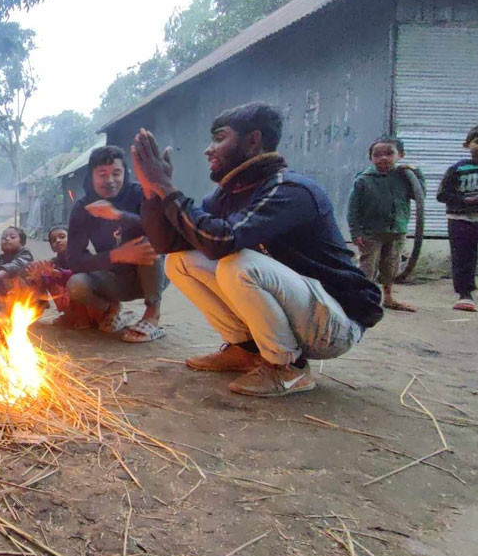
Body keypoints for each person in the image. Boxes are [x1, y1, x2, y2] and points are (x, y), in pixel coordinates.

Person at [134, 102, 383, 397]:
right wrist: (153, 191)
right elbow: (169, 244)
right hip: (304, 315)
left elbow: (220, 241)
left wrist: (166, 187)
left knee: (237, 264)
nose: (208, 149)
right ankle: (246, 350)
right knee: (180, 261)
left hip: (333, 325)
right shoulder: (227, 195)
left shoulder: (290, 190)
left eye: (219, 137)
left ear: (253, 140)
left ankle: (289, 369)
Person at [66, 145, 168, 342]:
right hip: (113, 279)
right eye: (102, 174)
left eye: (116, 173)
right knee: (76, 285)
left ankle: (153, 314)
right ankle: (113, 309)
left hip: (149, 276)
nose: (110, 180)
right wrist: (117, 256)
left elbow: (162, 232)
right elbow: (74, 260)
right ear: (92, 176)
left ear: (125, 173)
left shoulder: (139, 194)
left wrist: (120, 216)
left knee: (150, 243)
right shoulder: (83, 208)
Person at [346, 136, 425, 312]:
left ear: (400, 155)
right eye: (377, 155)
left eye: (389, 154)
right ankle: (363, 297)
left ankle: (388, 297)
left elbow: (420, 195)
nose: (383, 158)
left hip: (396, 229)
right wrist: (355, 231)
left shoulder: (404, 178)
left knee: (391, 265)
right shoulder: (363, 180)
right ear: (371, 158)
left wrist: (416, 173)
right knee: (368, 266)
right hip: (370, 232)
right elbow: (353, 209)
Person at [436, 125, 478, 312]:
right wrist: (465, 200)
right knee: (462, 257)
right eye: (477, 141)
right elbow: (443, 194)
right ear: (466, 145)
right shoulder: (456, 169)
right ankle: (465, 294)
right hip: (460, 220)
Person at [26, 225, 97, 328]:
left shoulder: (84, 256)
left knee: (77, 281)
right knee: (44, 281)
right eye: (53, 240)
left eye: (62, 237)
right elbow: (45, 282)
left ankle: (84, 318)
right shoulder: (54, 263)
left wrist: (58, 273)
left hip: (93, 305)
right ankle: (70, 315)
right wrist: (38, 278)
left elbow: (83, 274)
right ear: (52, 247)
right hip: (71, 303)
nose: (58, 241)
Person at [0, 226, 34, 310]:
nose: (7, 239)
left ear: (22, 242)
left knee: (13, 278)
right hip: (6, 299)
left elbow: (16, 266)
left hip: (28, 301)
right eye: (4, 238)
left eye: (12, 237)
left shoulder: (25, 254)